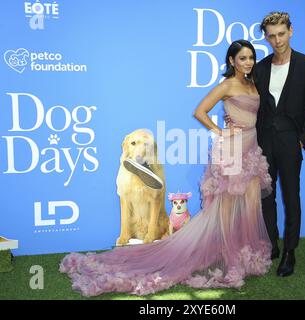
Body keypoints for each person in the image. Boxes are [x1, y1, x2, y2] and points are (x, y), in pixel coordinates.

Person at [59, 40, 273, 297]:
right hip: (232, 149)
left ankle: (244, 255)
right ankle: (227, 257)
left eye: (251, 57)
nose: (248, 62)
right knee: (224, 208)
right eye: (242, 58)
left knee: (251, 205)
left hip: (251, 149)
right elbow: (200, 111)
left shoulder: (254, 84)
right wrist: (221, 131)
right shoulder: (227, 85)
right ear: (231, 61)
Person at [245, 12, 305, 277]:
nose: (277, 40)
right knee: (266, 197)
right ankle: (272, 244)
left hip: (291, 141)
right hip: (264, 140)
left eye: (281, 34)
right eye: (271, 36)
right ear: (266, 37)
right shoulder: (261, 67)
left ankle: (289, 251)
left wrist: (302, 140)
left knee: (291, 197)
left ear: (291, 31)